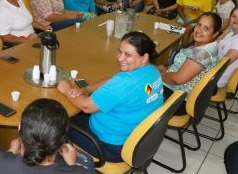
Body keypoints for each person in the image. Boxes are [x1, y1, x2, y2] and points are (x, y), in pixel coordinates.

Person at [58, 31, 163, 162]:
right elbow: (113, 80)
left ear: (144, 58)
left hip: (109, 145)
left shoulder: (125, 82)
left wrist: (66, 89)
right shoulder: (153, 71)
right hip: (134, 139)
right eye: (120, 52)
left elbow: (86, 106)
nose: (120, 58)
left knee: (57, 121)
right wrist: (87, 89)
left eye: (128, 55)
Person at [158, 12, 221, 115]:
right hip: (175, 90)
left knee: (143, 87)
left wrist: (158, 75)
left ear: (215, 34)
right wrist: (165, 69)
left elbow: (177, 79)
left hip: (177, 100)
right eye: (199, 25)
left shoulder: (203, 54)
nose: (198, 30)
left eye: (206, 28)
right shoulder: (207, 46)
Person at [217, 5, 238, 88]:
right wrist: (229, 28)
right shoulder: (232, 33)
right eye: (233, 16)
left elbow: (221, 65)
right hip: (213, 71)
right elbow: (217, 42)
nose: (236, 20)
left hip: (215, 79)